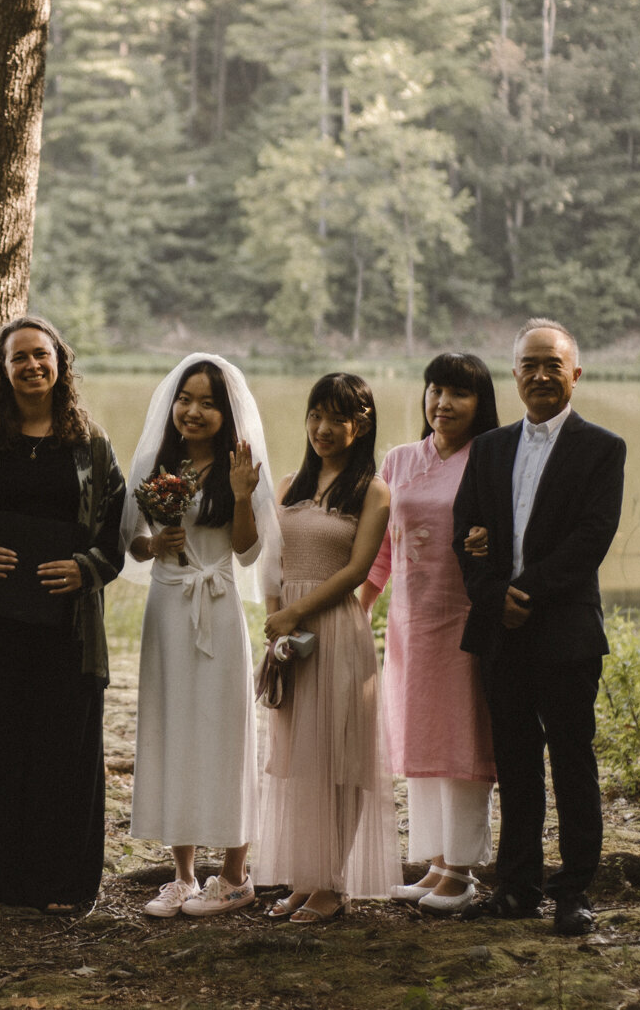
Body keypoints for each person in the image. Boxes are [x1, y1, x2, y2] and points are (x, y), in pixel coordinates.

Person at [0, 317, 126, 913]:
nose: (32, 366)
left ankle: (64, 884)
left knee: (62, 749)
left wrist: (84, 568)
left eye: (41, 355)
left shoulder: (90, 445)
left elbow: (116, 531)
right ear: (2, 369)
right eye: (18, 358)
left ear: (60, 363)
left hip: (67, 628)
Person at [453, 319, 626, 937]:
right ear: (516, 376)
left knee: (573, 762)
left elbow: (590, 540)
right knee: (516, 761)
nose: (541, 375)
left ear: (574, 374)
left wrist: (524, 592)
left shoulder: (603, 449)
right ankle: (517, 887)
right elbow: (465, 534)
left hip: (566, 632)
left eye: (553, 364)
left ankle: (574, 889)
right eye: (530, 364)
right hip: (502, 632)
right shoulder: (490, 448)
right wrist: (496, 597)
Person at [124, 354, 278, 919]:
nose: (193, 411)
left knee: (224, 730)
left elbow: (247, 551)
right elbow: (131, 542)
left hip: (216, 604)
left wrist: (241, 495)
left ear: (227, 411)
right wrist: (153, 546)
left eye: (208, 403)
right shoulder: (158, 462)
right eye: (185, 399)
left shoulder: (242, 463)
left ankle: (235, 876)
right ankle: (183, 876)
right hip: (166, 606)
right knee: (173, 728)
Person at [251, 373, 401, 922]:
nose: (321, 428)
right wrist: (276, 620)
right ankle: (304, 874)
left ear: (360, 423)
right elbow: (268, 558)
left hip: (335, 630)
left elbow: (358, 570)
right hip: (290, 636)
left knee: (339, 755)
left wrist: (297, 612)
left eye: (335, 418)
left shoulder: (374, 491)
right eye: (315, 416)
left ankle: (333, 883)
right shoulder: (289, 483)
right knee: (296, 757)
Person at [378, 352, 502, 916]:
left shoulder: (493, 458)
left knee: (464, 741)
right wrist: (357, 605)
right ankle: (432, 859)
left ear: (481, 404)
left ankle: (463, 868)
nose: (443, 404)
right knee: (421, 738)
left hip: (465, 619)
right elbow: (378, 547)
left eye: (459, 394)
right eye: (434, 390)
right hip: (410, 621)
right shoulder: (399, 460)